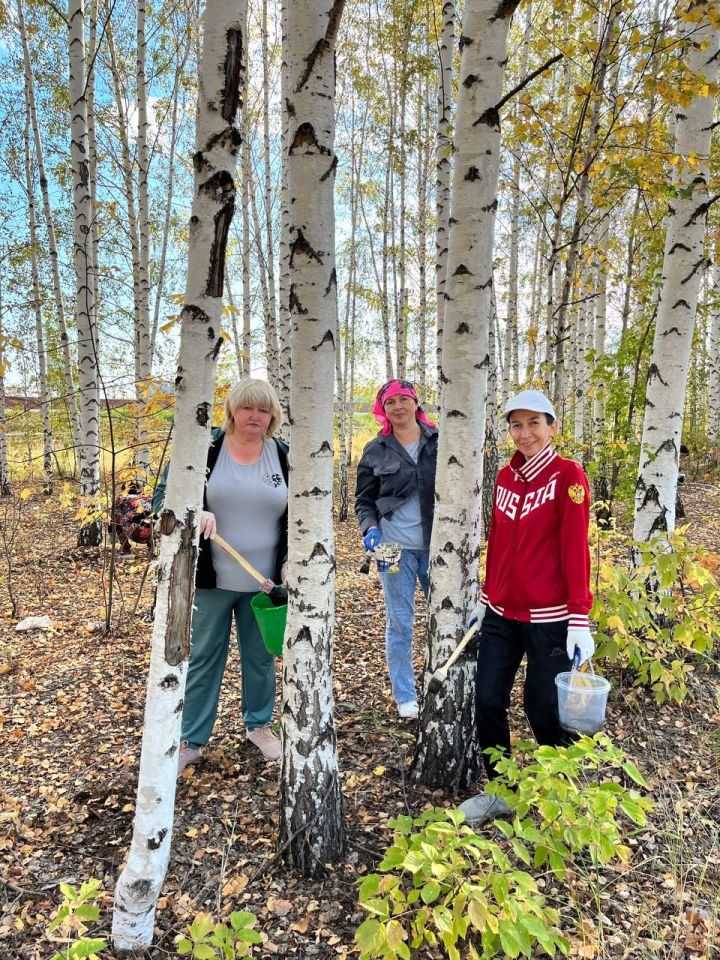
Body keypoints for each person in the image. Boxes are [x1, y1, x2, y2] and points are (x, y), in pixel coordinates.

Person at [460, 389, 594, 825]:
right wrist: (487, 596)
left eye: (535, 423)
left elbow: (575, 550)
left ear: (552, 427)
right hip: (501, 615)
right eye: (516, 425)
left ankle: (564, 795)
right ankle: (502, 791)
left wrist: (579, 617)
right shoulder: (504, 477)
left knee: (543, 709)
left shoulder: (568, 475)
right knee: (487, 701)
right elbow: (498, 540)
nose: (525, 433)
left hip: (551, 620)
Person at [153, 378, 289, 775]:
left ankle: (259, 725)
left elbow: (303, 514)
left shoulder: (282, 455)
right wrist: (195, 509)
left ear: (272, 416)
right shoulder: (206, 449)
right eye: (247, 408)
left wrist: (289, 562)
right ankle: (191, 739)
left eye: (263, 410)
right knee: (205, 658)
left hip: (264, 585)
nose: (255, 416)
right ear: (232, 411)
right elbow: (164, 499)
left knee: (261, 658)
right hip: (212, 581)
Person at [355, 379, 438, 720]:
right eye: (391, 402)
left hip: (438, 548)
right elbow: (364, 502)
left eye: (405, 399)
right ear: (383, 409)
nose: (399, 406)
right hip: (391, 549)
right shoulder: (376, 449)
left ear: (416, 404)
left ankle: (444, 680)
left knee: (448, 617)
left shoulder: (439, 441)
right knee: (400, 621)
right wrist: (370, 528)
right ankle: (406, 696)